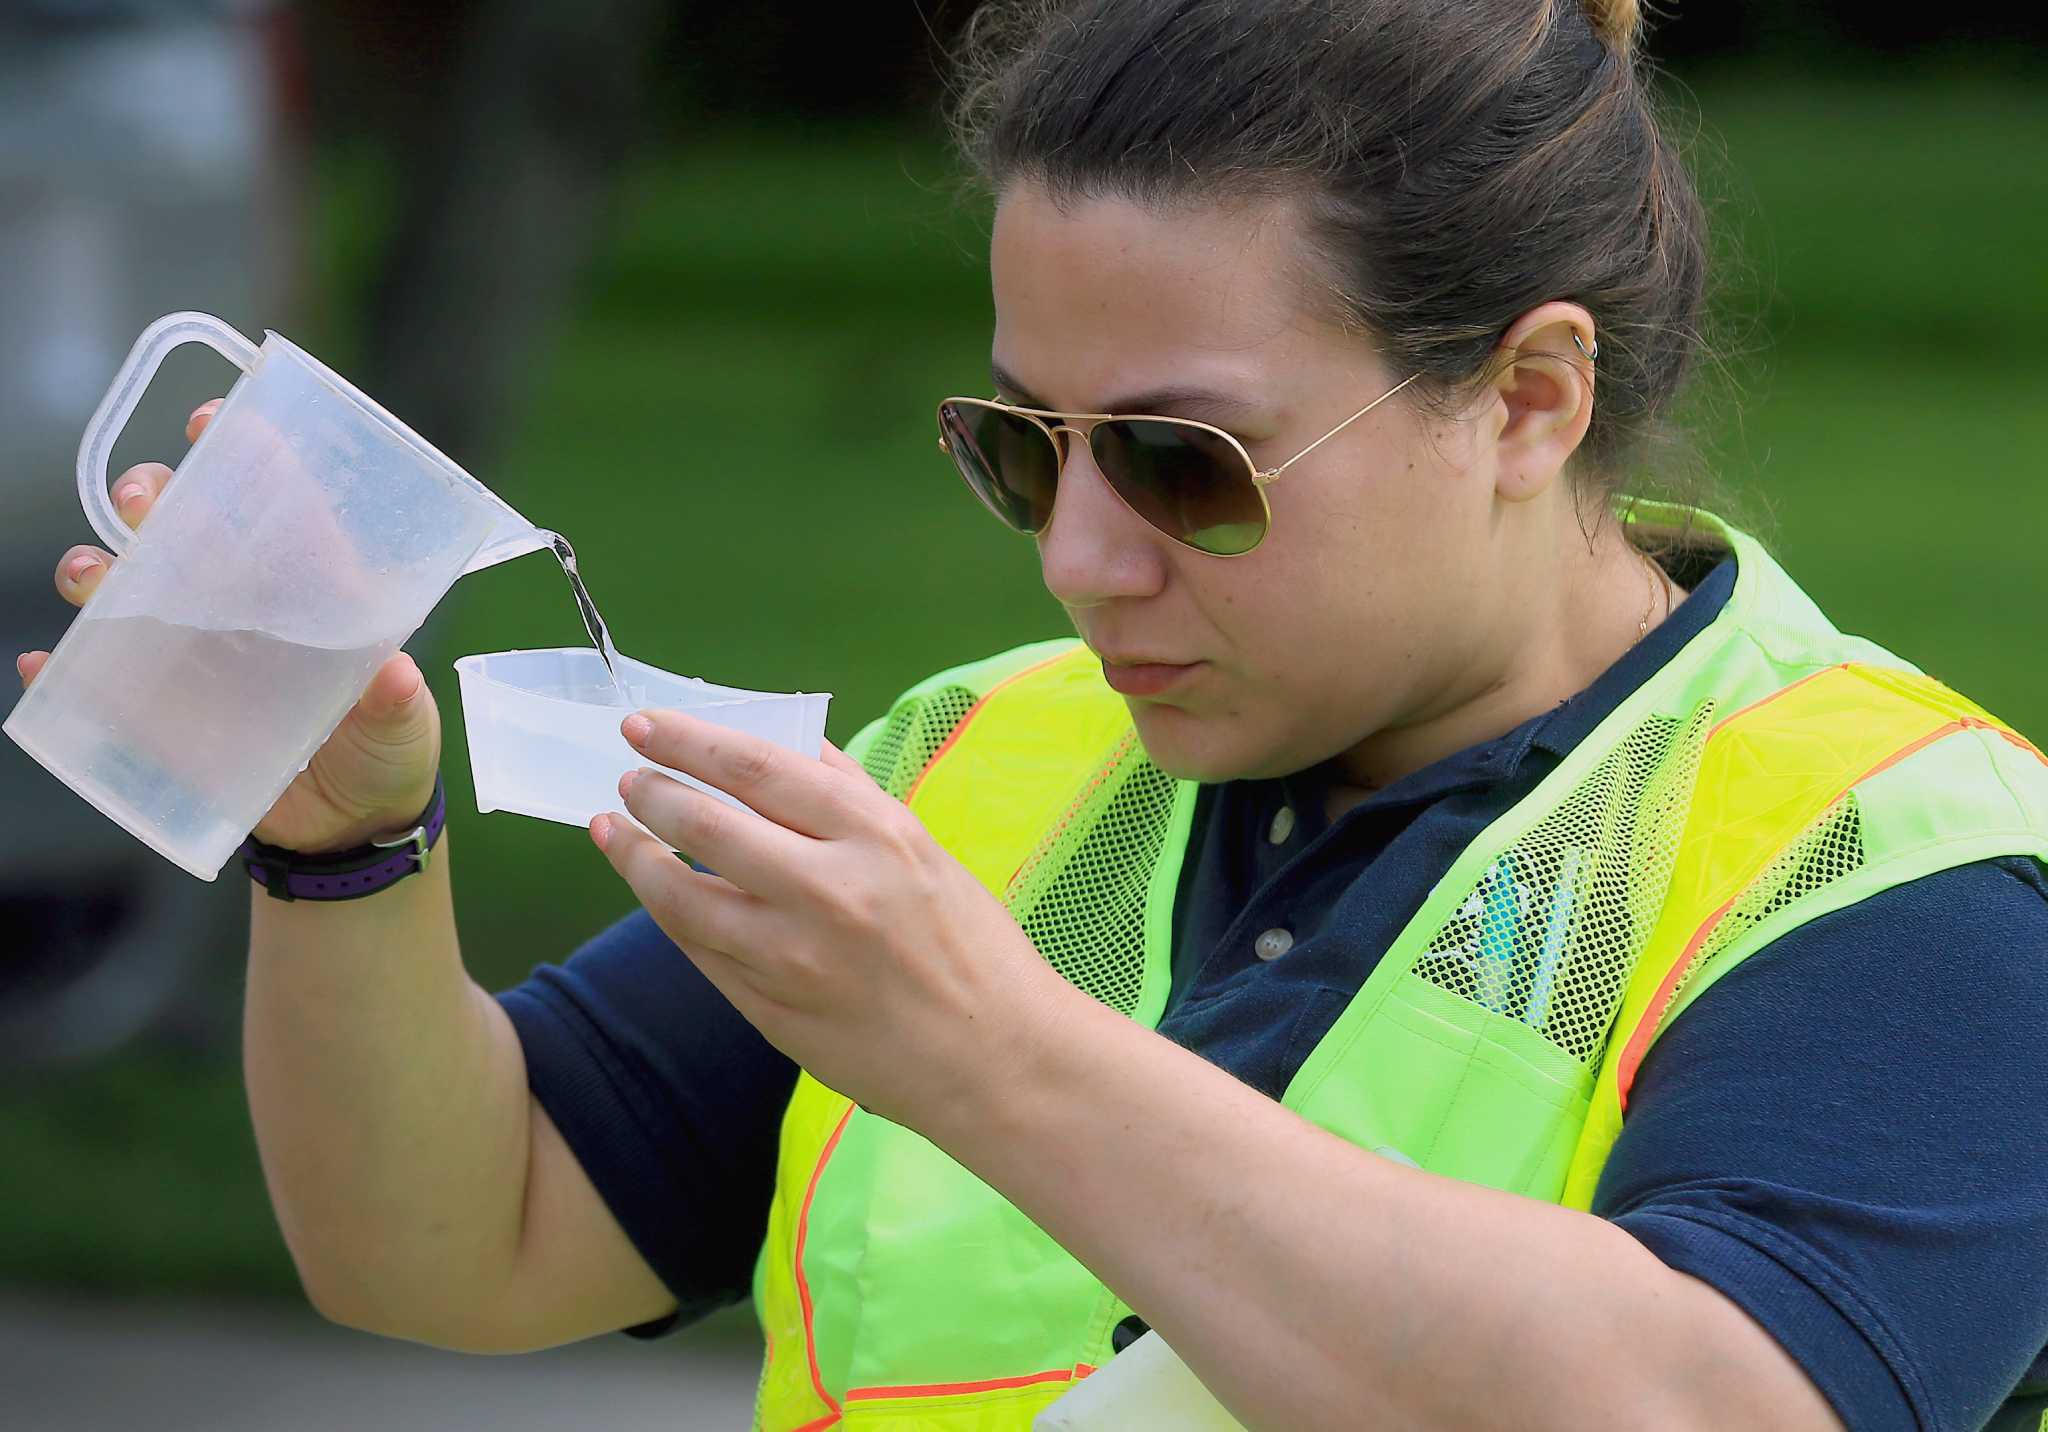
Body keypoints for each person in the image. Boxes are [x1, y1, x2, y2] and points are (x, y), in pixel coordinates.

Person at [19, 0, 2048, 1426]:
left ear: (1526, 398)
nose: (1077, 555)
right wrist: (345, 852)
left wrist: (984, 1046)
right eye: (1020, 445)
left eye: (1179, 458)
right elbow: (461, 1243)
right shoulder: (987, 758)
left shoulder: (1896, 856)